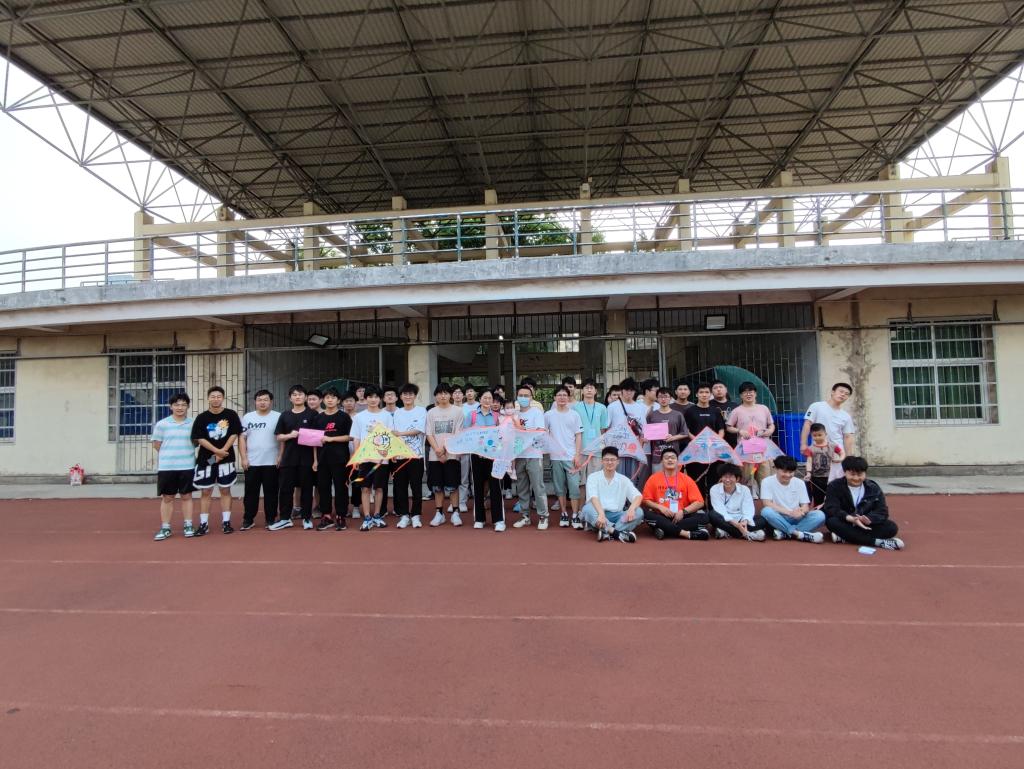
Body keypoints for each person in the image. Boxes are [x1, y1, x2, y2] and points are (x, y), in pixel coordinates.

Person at [190, 385, 243, 536]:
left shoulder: (231, 414)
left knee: (225, 490)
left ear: (223, 398)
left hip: (226, 459)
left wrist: (223, 451)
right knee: (206, 491)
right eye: (213, 396)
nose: (216, 399)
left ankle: (226, 522)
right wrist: (216, 451)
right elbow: (199, 438)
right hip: (206, 460)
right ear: (208, 398)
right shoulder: (201, 417)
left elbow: (234, 433)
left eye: (219, 396)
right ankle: (203, 524)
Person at [823, 456, 904, 550]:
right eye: (852, 474)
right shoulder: (834, 486)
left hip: (866, 525)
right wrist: (850, 518)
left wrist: (869, 519)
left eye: (860, 474)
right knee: (832, 522)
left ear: (865, 473)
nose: (856, 478)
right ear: (844, 472)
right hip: (846, 521)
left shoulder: (873, 487)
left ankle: (845, 537)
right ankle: (877, 542)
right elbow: (831, 508)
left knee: (891, 527)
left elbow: (882, 511)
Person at [270, 385, 316, 531]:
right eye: (294, 395)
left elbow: (317, 438)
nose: (297, 397)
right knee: (285, 489)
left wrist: (315, 460)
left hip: (307, 459)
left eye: (300, 394)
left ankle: (307, 518)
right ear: (290, 398)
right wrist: (290, 436)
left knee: (306, 489)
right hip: (288, 458)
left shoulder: (312, 414)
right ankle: (285, 518)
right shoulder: (285, 415)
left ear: (305, 397)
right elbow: (279, 437)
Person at [151, 392, 195, 540]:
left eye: (183, 405)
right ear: (171, 407)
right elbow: (157, 445)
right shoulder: (162, 424)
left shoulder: (193, 423)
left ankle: (188, 525)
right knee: (167, 497)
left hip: (187, 465)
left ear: (188, 406)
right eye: (176, 405)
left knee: (187, 496)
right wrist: (170, 455)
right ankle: (165, 528)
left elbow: (196, 443)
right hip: (167, 467)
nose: (180, 407)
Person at [641, 447, 708, 540]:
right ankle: (686, 533)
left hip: (682, 516)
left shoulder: (686, 479)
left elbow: (700, 502)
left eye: (673, 457)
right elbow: (645, 501)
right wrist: (660, 507)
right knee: (645, 514)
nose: (670, 460)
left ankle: (663, 529)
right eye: (666, 458)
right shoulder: (653, 478)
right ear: (662, 462)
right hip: (661, 515)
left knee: (705, 517)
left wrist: (683, 511)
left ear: (677, 461)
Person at [463, 388, 506, 531]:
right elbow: (465, 434)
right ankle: (479, 519)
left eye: (490, 399)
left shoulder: (497, 416)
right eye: (485, 398)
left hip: (493, 456)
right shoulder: (472, 415)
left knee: (495, 487)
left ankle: (498, 520)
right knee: (478, 486)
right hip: (476, 456)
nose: (487, 401)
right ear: (479, 399)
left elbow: (502, 435)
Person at [581, 446, 645, 543]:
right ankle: (617, 533)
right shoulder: (593, 477)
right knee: (587, 509)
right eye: (606, 460)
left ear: (618, 461)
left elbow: (638, 496)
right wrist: (601, 514)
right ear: (602, 461)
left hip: (618, 516)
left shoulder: (624, 479)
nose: (610, 462)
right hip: (599, 513)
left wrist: (631, 509)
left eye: (612, 460)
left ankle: (606, 530)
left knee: (639, 512)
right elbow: (593, 497)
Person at [238, 389, 280, 531]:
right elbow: (242, 438)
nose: (262, 402)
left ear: (271, 401)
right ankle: (248, 519)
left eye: (265, 400)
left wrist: (280, 456)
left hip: (272, 462)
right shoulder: (248, 417)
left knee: (271, 493)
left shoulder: (278, 417)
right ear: (255, 402)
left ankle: (270, 518)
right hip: (252, 462)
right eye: (259, 400)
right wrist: (244, 458)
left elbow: (282, 439)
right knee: (250, 493)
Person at [758, 455, 825, 543]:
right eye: (784, 472)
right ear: (776, 469)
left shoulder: (799, 482)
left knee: (820, 515)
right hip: (779, 517)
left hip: (797, 518)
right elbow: (767, 503)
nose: (788, 475)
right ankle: (799, 534)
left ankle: (785, 533)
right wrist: (789, 513)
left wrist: (801, 512)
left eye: (791, 472)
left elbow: (805, 506)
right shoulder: (767, 481)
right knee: (766, 511)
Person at [350, 386, 390, 531]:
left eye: (376, 397)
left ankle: (377, 515)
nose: (373, 400)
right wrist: (357, 456)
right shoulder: (359, 417)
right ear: (365, 398)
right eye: (370, 397)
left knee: (379, 488)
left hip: (381, 459)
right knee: (365, 488)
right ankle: (367, 517)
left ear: (380, 399)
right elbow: (356, 438)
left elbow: (390, 436)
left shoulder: (386, 416)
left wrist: (386, 454)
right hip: (365, 459)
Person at [312, 387, 352, 531]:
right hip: (322, 459)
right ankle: (326, 515)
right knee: (323, 488)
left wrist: (331, 438)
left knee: (341, 487)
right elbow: (314, 441)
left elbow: (350, 437)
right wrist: (315, 460)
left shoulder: (344, 417)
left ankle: (341, 516)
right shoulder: (318, 418)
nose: (330, 400)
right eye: (327, 397)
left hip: (340, 459)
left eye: (333, 397)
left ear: (338, 400)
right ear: (323, 400)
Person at [511, 383, 550, 529]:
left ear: (531, 397)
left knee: (538, 487)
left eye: (526, 396)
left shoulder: (536, 413)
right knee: (522, 487)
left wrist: (522, 430)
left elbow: (539, 432)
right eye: (520, 395)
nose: (523, 398)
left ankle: (543, 516)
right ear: (517, 397)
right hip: (519, 455)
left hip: (534, 454)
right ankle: (525, 516)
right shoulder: (514, 414)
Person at [726, 382, 775, 494]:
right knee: (745, 479)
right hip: (745, 452)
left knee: (765, 480)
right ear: (741, 395)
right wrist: (739, 431)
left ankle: (765, 502)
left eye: (751, 391)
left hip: (763, 451)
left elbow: (771, 424)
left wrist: (770, 431)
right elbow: (728, 427)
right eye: (745, 392)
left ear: (755, 393)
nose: (748, 394)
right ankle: (745, 500)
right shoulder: (737, 411)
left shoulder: (763, 408)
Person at [426, 383, 464, 527]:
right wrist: (437, 450)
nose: (443, 396)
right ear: (436, 396)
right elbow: (429, 433)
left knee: (453, 485)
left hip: (452, 454)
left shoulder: (458, 411)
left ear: (450, 395)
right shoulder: (431, 412)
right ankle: (439, 513)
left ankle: (455, 512)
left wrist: (444, 449)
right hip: (435, 455)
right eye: (440, 393)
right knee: (437, 486)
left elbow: (458, 433)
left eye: (446, 393)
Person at [545, 385, 583, 528]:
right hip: (555, 458)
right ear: (554, 397)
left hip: (571, 457)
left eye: (564, 395)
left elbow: (578, 435)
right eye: (559, 395)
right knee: (559, 487)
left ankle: (575, 515)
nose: (562, 397)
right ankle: (564, 513)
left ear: (568, 397)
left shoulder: (574, 415)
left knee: (574, 487)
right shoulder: (548, 415)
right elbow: (543, 434)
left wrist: (577, 455)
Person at [390, 383, 428, 529]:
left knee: (416, 487)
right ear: (400, 396)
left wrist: (401, 433)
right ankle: (404, 515)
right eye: (405, 394)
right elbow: (393, 433)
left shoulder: (421, 411)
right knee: (400, 487)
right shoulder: (397, 413)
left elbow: (419, 429)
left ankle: (416, 515)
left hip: (416, 456)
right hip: (400, 456)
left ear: (415, 396)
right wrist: (393, 451)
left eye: (411, 394)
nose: (408, 397)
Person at [683, 383, 727, 501]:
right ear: (696, 394)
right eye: (701, 392)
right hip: (696, 451)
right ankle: (699, 506)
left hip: (713, 452)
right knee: (697, 481)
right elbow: (686, 430)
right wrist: (698, 442)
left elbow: (721, 429)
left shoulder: (715, 411)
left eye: (707, 392)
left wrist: (715, 442)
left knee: (714, 480)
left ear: (710, 394)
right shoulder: (690, 411)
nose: (704, 395)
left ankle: (714, 507)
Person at [708, 463, 768, 541]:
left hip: (740, 518)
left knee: (762, 520)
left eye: (731, 477)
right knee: (712, 515)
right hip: (725, 519)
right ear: (721, 478)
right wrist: (737, 525)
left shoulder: (744, 489)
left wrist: (745, 521)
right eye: (725, 477)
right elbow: (720, 510)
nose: (727, 480)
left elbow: (748, 508)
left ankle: (728, 532)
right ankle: (748, 534)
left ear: (737, 479)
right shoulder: (714, 489)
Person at [572, 378, 609, 504]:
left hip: (597, 451)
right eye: (586, 387)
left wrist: (602, 447)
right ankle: (581, 509)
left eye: (591, 388)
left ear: (595, 391)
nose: (589, 390)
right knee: (581, 482)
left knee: (594, 482)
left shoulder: (602, 408)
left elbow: (603, 429)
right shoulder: (575, 408)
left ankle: (593, 508)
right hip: (580, 450)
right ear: (582, 391)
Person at [607, 377, 648, 483]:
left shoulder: (640, 407)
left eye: (631, 390)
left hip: (634, 448)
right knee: (617, 477)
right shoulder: (612, 407)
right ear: (621, 390)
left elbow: (643, 429)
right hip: (617, 448)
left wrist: (641, 445)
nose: (629, 392)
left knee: (632, 477)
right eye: (626, 390)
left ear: (635, 391)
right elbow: (606, 427)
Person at [800, 382, 857, 457]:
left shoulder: (846, 416)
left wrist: (849, 457)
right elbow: (807, 424)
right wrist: (803, 444)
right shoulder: (816, 406)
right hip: (818, 450)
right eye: (841, 391)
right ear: (833, 392)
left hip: (838, 452)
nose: (843, 395)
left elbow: (847, 437)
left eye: (846, 394)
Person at [646, 387, 687, 472]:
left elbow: (685, 433)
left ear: (670, 398)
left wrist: (673, 438)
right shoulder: (651, 415)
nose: (663, 399)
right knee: (658, 478)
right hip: (657, 456)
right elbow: (646, 434)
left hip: (673, 455)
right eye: (660, 397)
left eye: (666, 396)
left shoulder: (678, 415)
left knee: (674, 479)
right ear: (657, 398)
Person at [804, 422, 846, 507]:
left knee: (832, 494)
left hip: (831, 476)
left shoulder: (832, 446)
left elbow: (842, 452)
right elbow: (809, 461)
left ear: (825, 434)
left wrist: (840, 459)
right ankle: (818, 511)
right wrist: (808, 473)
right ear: (811, 435)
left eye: (820, 435)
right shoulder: (810, 449)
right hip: (816, 477)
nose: (817, 437)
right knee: (817, 496)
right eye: (814, 435)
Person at [451, 385, 471, 515]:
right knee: (452, 476)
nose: (457, 395)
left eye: (459, 392)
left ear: (463, 395)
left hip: (465, 447)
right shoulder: (448, 409)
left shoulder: (469, 409)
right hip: (451, 447)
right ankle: (454, 502)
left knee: (464, 476)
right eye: (455, 392)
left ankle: (462, 501)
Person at [341, 390, 361, 518]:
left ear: (356, 402)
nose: (348, 403)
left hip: (356, 455)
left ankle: (356, 507)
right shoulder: (339, 416)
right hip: (341, 455)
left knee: (356, 482)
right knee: (342, 483)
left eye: (351, 401)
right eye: (346, 401)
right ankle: (344, 508)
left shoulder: (360, 417)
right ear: (342, 403)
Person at [710, 380, 739, 447]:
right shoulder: (708, 405)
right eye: (715, 388)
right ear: (711, 392)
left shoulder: (734, 406)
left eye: (721, 387)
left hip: (733, 441)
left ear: (726, 389)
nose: (718, 389)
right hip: (714, 441)